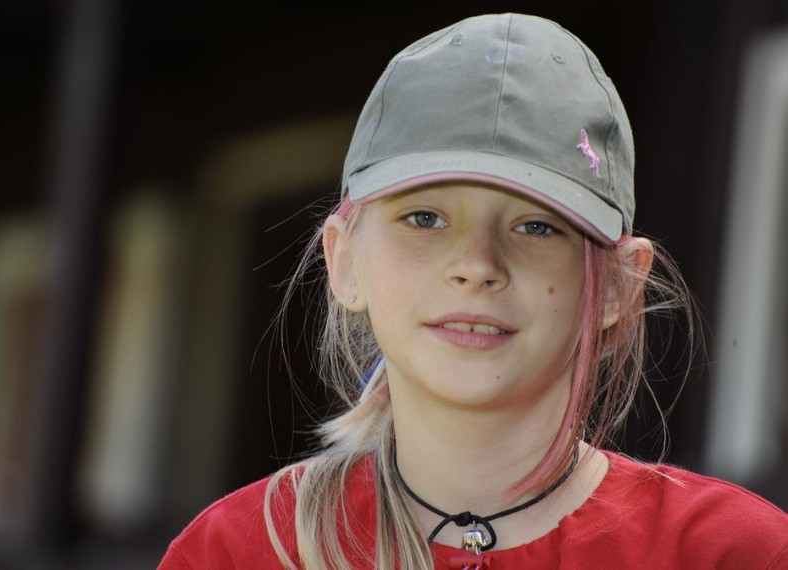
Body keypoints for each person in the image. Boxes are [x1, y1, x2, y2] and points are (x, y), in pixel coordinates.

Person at [158, 12, 788, 569]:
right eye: (424, 217)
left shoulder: (736, 554)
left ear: (619, 287)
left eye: (536, 226)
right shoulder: (233, 552)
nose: (477, 265)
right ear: (344, 261)